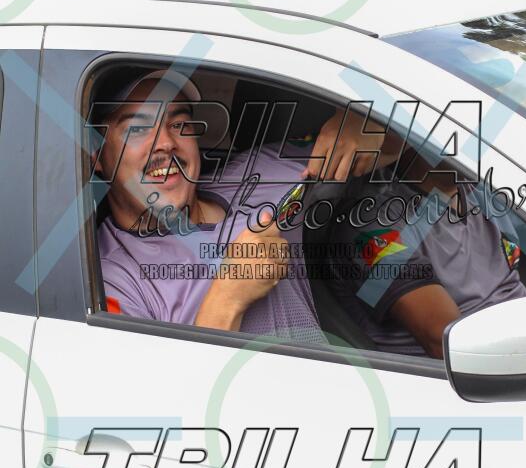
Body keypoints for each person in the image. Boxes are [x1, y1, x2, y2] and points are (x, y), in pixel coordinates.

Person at [90, 66, 384, 344]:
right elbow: (170, 383)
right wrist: (228, 296)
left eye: (179, 124)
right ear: (96, 153)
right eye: (138, 129)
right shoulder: (110, 279)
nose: (165, 142)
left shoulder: (255, 171)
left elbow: (385, 145)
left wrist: (362, 124)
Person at [328, 149, 526, 358]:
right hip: (477, 366)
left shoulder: (478, 191)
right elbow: (446, 342)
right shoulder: (370, 228)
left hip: (525, 343)